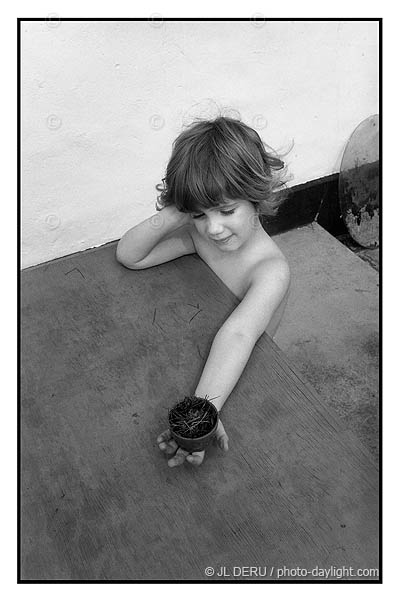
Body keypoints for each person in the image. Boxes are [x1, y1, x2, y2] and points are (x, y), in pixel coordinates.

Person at [116, 115, 291, 468]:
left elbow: (239, 335)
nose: (213, 228)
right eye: (199, 215)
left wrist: (202, 410)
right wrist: (176, 214)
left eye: (227, 210)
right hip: (208, 347)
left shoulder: (270, 270)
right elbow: (130, 256)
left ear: (256, 197)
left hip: (247, 367)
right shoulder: (199, 236)